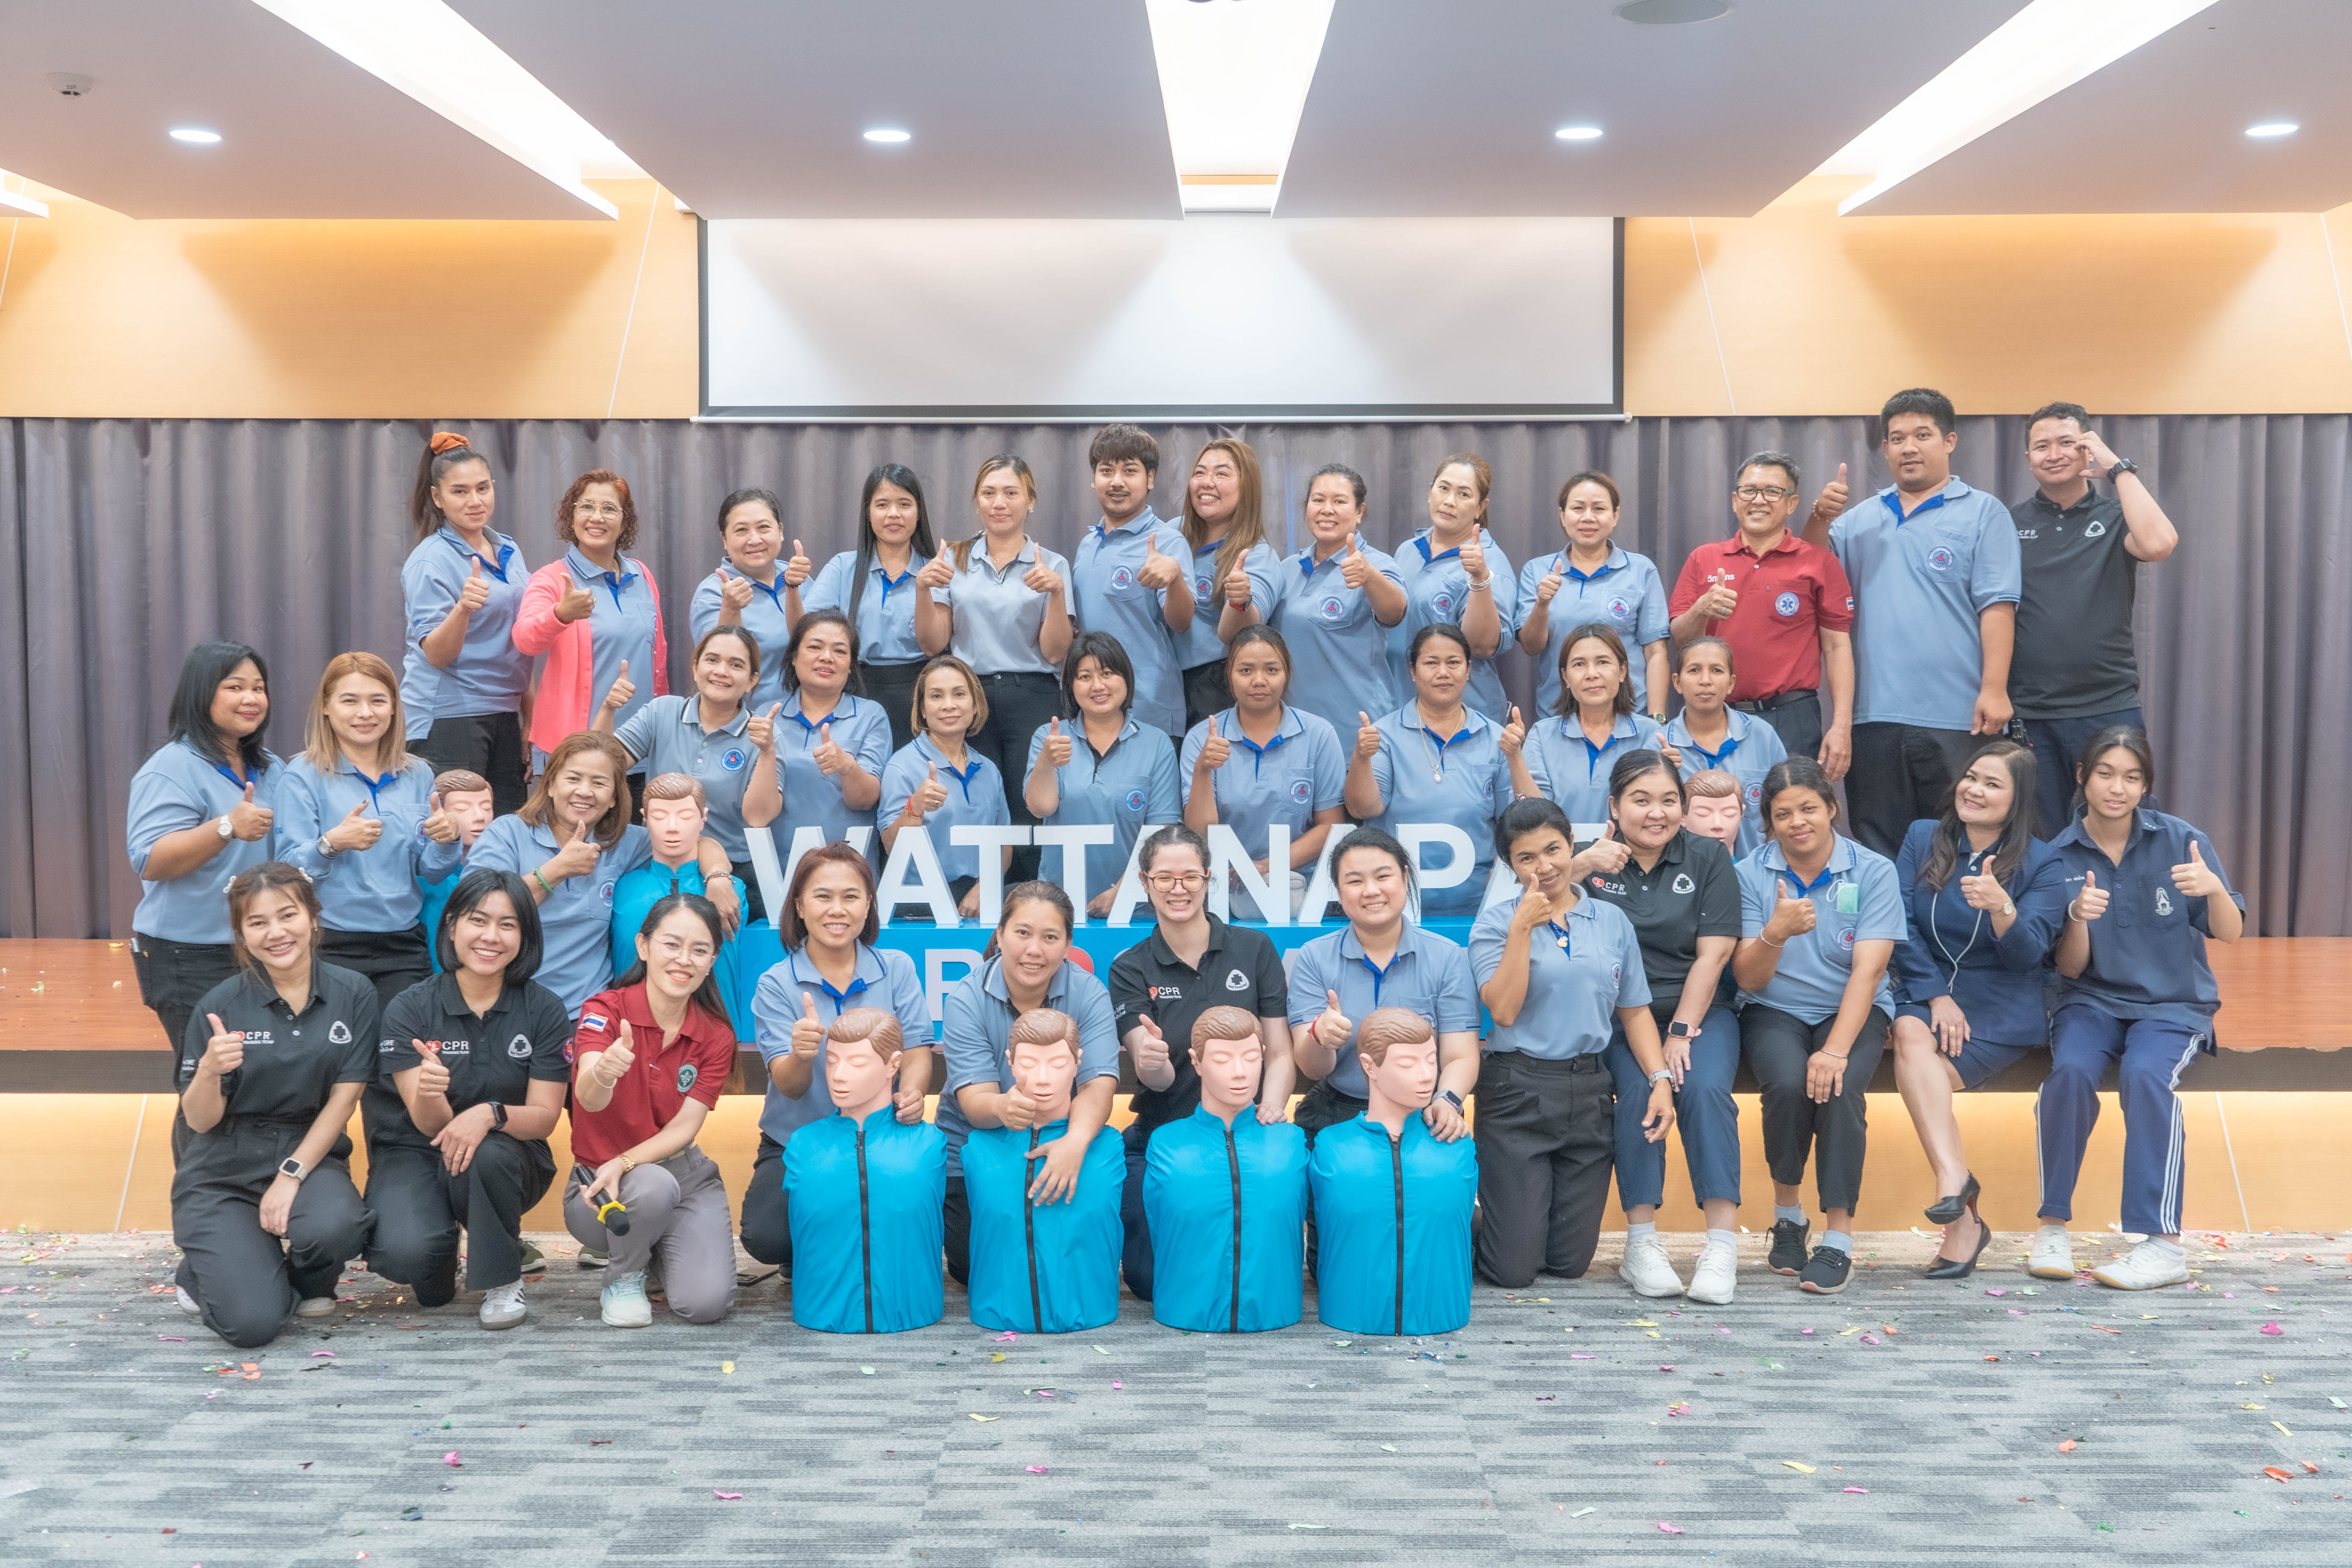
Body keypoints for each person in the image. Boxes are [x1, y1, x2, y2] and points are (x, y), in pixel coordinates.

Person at [2035, 727, 2242, 1291]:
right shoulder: (2057, 856)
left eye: (2131, 777)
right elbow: (2070, 969)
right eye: (2105, 774)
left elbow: (2231, 933)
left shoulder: (2182, 841)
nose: (2117, 788)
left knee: (2147, 1075)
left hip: (2171, 1004)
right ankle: (2052, 1225)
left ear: (2145, 785)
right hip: (2091, 1000)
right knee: (2069, 1074)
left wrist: (2214, 889)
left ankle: (2163, 1244)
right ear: (2082, 776)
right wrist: (2077, 917)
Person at [1802, 390, 2023, 856]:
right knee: (1881, 846)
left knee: (1959, 842)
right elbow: (1810, 571)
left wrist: (1994, 688)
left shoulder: (1984, 512)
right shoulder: (1857, 521)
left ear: (1949, 441)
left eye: (1923, 435)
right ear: (1885, 449)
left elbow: (1998, 606)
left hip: (1958, 716)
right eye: (1898, 438)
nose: (1909, 448)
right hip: (1873, 716)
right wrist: (1820, 516)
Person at [169, 863, 374, 1347]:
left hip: (310, 1149)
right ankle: (211, 1268)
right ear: (242, 933)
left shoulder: (354, 992)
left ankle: (303, 1278)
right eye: (258, 922)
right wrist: (210, 1071)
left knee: (339, 1227)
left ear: (314, 918)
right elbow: (199, 1120)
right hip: (224, 1164)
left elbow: (345, 1098)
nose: (276, 933)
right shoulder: (220, 1005)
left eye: (288, 915)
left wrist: (291, 1175)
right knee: (253, 1325)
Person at [1469, 798, 1670, 1290]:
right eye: (1527, 857)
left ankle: (1516, 1223)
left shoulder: (1611, 920)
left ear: (1572, 845)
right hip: (1518, 1092)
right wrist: (1522, 928)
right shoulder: (1494, 924)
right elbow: (1504, 1010)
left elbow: (1635, 1010)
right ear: (1511, 866)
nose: (1544, 866)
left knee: (1568, 1263)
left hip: (1589, 1090)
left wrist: (1660, 1079)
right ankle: (1472, 1221)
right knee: (1513, 1270)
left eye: (1553, 849)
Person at [362, 869, 571, 1329]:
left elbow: (544, 1117)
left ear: (525, 936)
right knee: (408, 1257)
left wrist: (490, 1114)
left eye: (508, 925)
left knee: (487, 1152)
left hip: (508, 1156)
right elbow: (429, 1125)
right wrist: (431, 1093)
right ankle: (440, 1253)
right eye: (479, 920)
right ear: (453, 925)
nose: (491, 936)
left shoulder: (544, 1008)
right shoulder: (410, 1007)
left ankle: (502, 1278)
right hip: (419, 1150)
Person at [1888, 742, 2067, 1279]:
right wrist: (1936, 994)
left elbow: (2029, 955)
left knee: (1922, 1078)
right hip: (1925, 991)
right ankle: (1955, 1185)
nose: (1975, 790)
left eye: (1993, 784)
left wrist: (2002, 908)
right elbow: (1899, 922)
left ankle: (1961, 1206)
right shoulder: (1923, 837)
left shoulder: (2044, 861)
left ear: (2017, 800)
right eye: (1971, 777)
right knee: (1908, 1028)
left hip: (1999, 1004)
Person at [1575, 756, 1745, 1303]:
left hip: (1699, 1011)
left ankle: (1721, 1246)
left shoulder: (1707, 855)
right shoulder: (1591, 862)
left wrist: (1681, 1030)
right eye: (1641, 800)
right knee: (1640, 1093)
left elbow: (1714, 954)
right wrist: (1582, 863)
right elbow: (1526, 904)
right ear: (1614, 806)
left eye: (1669, 800)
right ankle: (1642, 1243)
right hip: (1616, 1017)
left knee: (1706, 1089)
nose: (1657, 813)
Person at [1731, 759, 1903, 1296]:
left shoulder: (1873, 870)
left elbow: (1869, 971)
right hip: (1774, 1006)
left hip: (1852, 1007)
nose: (1797, 822)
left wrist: (1834, 1051)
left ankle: (1839, 1239)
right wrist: (1777, 933)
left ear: (1832, 808)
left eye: (1809, 808)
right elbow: (1749, 978)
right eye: (1783, 814)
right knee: (1786, 1083)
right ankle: (1788, 1217)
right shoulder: (1748, 874)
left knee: (1840, 1088)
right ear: (1769, 822)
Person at [1108, 825, 1293, 1299]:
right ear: (1145, 882)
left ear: (1208, 878)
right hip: (1163, 1136)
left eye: (1190, 876)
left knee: (1252, 1272)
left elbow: (1279, 1051)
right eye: (1164, 877)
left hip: (1245, 1135)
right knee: (1151, 1282)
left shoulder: (1255, 949)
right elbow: (1154, 1076)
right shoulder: (1130, 967)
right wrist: (1151, 1057)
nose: (1178, 888)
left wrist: (1272, 1107)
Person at [743, 843, 932, 1272]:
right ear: (799, 906)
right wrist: (801, 1054)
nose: (837, 909)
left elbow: (917, 1050)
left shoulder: (897, 968)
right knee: (768, 1238)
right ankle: (812, 1249)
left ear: (868, 905)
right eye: (823, 896)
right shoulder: (775, 984)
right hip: (796, 1142)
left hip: (881, 1138)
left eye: (851, 896)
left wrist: (913, 1094)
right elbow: (790, 1087)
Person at [566, 894, 741, 1328]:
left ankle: (656, 1248)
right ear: (643, 946)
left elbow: (684, 1128)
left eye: (699, 950)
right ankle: (624, 1278)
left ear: (712, 960)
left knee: (706, 1304)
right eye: (672, 944)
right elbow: (589, 1099)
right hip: (600, 1187)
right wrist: (604, 1072)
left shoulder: (716, 1034)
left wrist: (625, 1160)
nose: (684, 960)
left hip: (684, 1175)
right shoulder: (604, 1011)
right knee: (652, 1186)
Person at [936, 883, 1120, 1285]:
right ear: (1000, 934)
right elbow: (976, 1103)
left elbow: (1099, 1085)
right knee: (974, 1266)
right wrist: (1003, 1107)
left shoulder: (1089, 993)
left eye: (1050, 937)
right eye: (1022, 933)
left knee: (1068, 1257)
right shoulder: (967, 998)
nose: (1034, 950)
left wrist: (1075, 1142)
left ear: (1068, 944)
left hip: (1063, 1136)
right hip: (977, 1144)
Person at [2008, 405, 2180, 836]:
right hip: (2032, 710)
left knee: (2124, 831)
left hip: (2108, 705)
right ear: (2028, 458)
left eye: (2067, 443)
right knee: (2042, 840)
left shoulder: (2116, 516)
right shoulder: (2008, 523)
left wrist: (2118, 469)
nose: (2054, 454)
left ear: (2089, 449)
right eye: (2041, 446)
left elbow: (2159, 544)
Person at [127, 642, 282, 1119]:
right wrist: (226, 827)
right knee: (208, 1082)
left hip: (260, 949)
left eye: (259, 688)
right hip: (187, 954)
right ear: (202, 694)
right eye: (235, 687)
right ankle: (201, 1172)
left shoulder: (271, 767)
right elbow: (150, 859)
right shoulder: (170, 768)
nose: (251, 698)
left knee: (257, 1079)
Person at [278, 652, 462, 1015]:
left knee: (402, 1049)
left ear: (394, 708)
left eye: (378, 701)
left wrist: (448, 840)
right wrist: (330, 845)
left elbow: (431, 872)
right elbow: (286, 874)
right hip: (330, 945)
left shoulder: (419, 774)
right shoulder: (301, 775)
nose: (365, 713)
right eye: (350, 701)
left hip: (404, 945)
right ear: (326, 707)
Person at [915, 456, 1071, 878]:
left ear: (1031, 500)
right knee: (976, 801)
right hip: (970, 698)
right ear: (977, 501)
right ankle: (975, 891)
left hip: (1033, 695)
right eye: (989, 493)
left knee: (1029, 805)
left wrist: (1057, 594)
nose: (999, 503)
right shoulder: (955, 558)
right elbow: (933, 643)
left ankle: (1030, 895)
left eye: (1010, 493)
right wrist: (923, 589)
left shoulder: (1052, 563)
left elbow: (1056, 652)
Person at [1289, 831, 1480, 1151]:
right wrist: (1319, 1036)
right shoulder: (1314, 957)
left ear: (1404, 877)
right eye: (1355, 881)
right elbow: (1313, 1068)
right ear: (1338, 890)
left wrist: (1447, 1100)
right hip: (1338, 1114)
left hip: (1422, 1114)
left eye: (1383, 876)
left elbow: (1460, 1055)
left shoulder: (1446, 956)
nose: (1371, 891)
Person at [1667, 451, 1855, 775]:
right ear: (1735, 501)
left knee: (1792, 802)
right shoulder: (1703, 558)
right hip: (1716, 713)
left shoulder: (1819, 562)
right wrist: (1701, 609)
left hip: (1793, 715)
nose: (1759, 500)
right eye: (1750, 491)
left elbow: (1837, 647)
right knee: (1714, 802)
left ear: (1792, 503)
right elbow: (1680, 640)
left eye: (1772, 492)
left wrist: (1841, 726)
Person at [1305, 1007, 1479, 1336]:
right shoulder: (1331, 1146)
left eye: (1431, 1060)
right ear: (1370, 1066)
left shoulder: (1456, 1147)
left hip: (1442, 1313)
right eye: (1408, 1064)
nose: (1426, 1075)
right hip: (1349, 1311)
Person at [1140, 1006, 1309, 1332]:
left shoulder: (1290, 1142)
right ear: (1197, 1062)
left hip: (1277, 1312)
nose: (1239, 1072)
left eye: (1251, 1058)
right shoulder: (1167, 1144)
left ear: (1263, 1056)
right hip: (1184, 1312)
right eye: (1221, 1059)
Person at [781, 1008, 947, 1333]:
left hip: (914, 1308)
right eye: (832, 1061)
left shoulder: (929, 1143)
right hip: (820, 1310)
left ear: (893, 1065)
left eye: (857, 1063)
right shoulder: (803, 1145)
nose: (839, 1075)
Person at [960, 1007, 1126, 1333]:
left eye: (1058, 1063)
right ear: (1010, 1061)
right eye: (1028, 1063)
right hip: (997, 1311)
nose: (1043, 1078)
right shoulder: (980, 1148)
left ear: (1078, 1062)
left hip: (1091, 1310)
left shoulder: (1108, 1147)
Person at [1344, 625, 1523, 917]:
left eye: (1454, 663)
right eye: (1431, 663)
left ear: (1469, 670)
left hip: (1479, 904)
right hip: (1395, 904)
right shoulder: (1384, 735)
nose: (1443, 672)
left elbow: (1515, 821)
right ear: (1413, 671)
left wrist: (1515, 757)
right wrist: (1362, 758)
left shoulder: (1495, 738)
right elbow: (1364, 808)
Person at [606, 626, 779, 919]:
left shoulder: (763, 734)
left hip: (734, 871)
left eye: (736, 665)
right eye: (712, 660)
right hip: (661, 864)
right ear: (695, 668)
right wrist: (608, 709)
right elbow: (605, 766)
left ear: (752, 681)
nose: (721, 671)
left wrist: (767, 752)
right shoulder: (662, 711)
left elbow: (758, 817)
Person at [472, 733, 648, 1015]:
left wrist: (718, 876)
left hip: (587, 1013)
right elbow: (479, 911)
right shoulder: (507, 833)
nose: (585, 791)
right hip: (508, 1008)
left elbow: (694, 843)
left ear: (614, 798)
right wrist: (557, 869)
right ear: (551, 784)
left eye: (599, 783)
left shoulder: (625, 842)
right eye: (573, 779)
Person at [400, 432, 530, 813]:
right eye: (460, 491)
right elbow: (437, 655)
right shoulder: (429, 561)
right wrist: (462, 610)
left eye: (483, 488)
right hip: (449, 716)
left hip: (505, 712)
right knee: (453, 834)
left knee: (506, 828)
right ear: (437, 497)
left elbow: (521, 640)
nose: (475, 501)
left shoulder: (508, 548)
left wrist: (530, 718)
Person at [1179, 626, 1347, 919]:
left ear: (1287, 675)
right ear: (1229, 676)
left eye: (1271, 670)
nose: (1259, 680)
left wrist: (1265, 867)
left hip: (1303, 891)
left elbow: (1331, 826)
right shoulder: (1201, 738)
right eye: (1246, 670)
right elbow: (1200, 833)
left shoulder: (1319, 734)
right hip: (1221, 896)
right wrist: (1203, 771)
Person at [514, 468, 668, 776]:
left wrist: (664, 725)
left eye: (609, 509)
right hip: (577, 750)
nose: (596, 517)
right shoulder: (552, 578)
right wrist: (561, 615)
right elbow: (525, 640)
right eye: (586, 506)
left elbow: (659, 658)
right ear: (572, 516)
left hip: (640, 745)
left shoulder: (643, 575)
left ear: (624, 520)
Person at [1024, 632, 1182, 918]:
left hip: (1136, 907)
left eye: (1108, 673)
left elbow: (1162, 832)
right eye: (1085, 677)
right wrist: (1046, 762)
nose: (1098, 686)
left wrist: (1123, 891)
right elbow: (1040, 808)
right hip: (1057, 909)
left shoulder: (1157, 743)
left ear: (1126, 679)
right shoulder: (1049, 738)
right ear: (1071, 686)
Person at [1243, 464, 1405, 741]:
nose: (1327, 510)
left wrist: (1369, 577)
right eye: (1318, 500)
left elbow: (1395, 613)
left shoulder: (1376, 564)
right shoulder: (1288, 568)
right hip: (1291, 728)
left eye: (1339, 502)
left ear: (1360, 512)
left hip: (1354, 728)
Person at [745, 608, 893, 884]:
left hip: (849, 875)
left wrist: (848, 767)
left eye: (840, 651)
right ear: (793, 657)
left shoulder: (871, 715)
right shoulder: (767, 717)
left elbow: (865, 800)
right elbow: (756, 815)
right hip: (776, 876)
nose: (827, 657)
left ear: (851, 666)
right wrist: (767, 752)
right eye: (815, 647)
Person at [801, 465, 940, 751]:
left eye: (905, 504)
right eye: (882, 505)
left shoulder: (936, 571)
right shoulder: (843, 567)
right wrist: (792, 588)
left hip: (920, 696)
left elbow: (935, 646)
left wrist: (924, 588)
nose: (894, 514)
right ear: (868, 512)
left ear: (919, 512)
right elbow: (805, 633)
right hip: (854, 691)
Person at [1516, 471, 1670, 722]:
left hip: (1630, 717)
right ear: (1562, 515)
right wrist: (1542, 604)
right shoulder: (1537, 570)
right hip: (1559, 717)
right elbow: (1531, 647)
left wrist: (1657, 719)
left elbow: (1656, 652)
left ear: (1615, 516)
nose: (1588, 517)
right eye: (1578, 508)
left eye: (1599, 509)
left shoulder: (1641, 570)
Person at [1070, 423, 1193, 738]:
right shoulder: (1087, 545)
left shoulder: (1167, 541)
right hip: (1094, 710)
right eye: (1106, 471)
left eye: (1130, 471)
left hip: (1151, 709)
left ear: (1150, 478)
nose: (1117, 482)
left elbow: (1181, 623)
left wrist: (1175, 578)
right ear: (1093, 478)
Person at [1389, 453, 1517, 723]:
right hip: (1406, 708)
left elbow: (1483, 647)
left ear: (1480, 507)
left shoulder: (1491, 562)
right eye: (1444, 488)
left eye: (1464, 494)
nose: (1450, 501)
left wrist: (1480, 577)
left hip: (1467, 715)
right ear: (1430, 492)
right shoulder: (1407, 551)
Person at [880, 655, 1010, 918]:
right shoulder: (901, 766)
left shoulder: (989, 770)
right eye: (936, 696)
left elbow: (1004, 845)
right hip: (921, 906)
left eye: (959, 694)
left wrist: (985, 887)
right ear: (922, 709)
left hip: (979, 902)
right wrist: (914, 808)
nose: (949, 705)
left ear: (975, 704)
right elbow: (891, 848)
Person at [608, 775, 750, 1014]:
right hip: (632, 1024)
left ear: (703, 818)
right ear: (645, 818)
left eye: (685, 816)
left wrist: (718, 877)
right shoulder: (623, 888)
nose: (672, 827)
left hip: (715, 1026)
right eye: (659, 816)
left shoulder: (731, 890)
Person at [1516, 623, 1671, 826]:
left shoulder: (1651, 734)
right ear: (1566, 677)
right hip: (1562, 846)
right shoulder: (1542, 735)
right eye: (1579, 664)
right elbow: (1534, 814)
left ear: (1623, 671)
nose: (1592, 674)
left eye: (1603, 662)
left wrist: (1668, 772)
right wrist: (1513, 755)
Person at [1178, 438, 1279, 730]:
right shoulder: (1171, 536)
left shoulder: (1258, 556)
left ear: (1247, 487)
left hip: (1213, 687)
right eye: (1200, 473)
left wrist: (1240, 600)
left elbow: (1242, 633)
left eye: (1221, 474)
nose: (1207, 483)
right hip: (1160, 683)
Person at [687, 487, 806, 718]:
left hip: (804, 718)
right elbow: (715, 671)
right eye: (741, 530)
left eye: (764, 528)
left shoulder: (798, 576)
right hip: (746, 722)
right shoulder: (712, 593)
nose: (754, 540)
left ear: (780, 531)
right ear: (724, 539)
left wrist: (793, 586)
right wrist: (730, 609)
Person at [1661, 637, 1786, 856]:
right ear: (1677, 682)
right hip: (1682, 872)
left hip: (1753, 869)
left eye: (1717, 671)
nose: (1706, 680)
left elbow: (1785, 803)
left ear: (1731, 683)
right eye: (1694, 670)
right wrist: (1662, 776)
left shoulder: (1762, 735)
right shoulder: (1660, 746)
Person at [418, 770, 496, 974]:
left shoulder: (503, 873)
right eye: (462, 809)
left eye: (487, 808)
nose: (480, 817)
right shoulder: (425, 878)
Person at [1682, 770, 1746, 855]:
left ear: (1741, 814)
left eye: (1729, 813)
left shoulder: (1752, 864)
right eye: (1703, 813)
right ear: (1682, 816)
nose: (1717, 825)